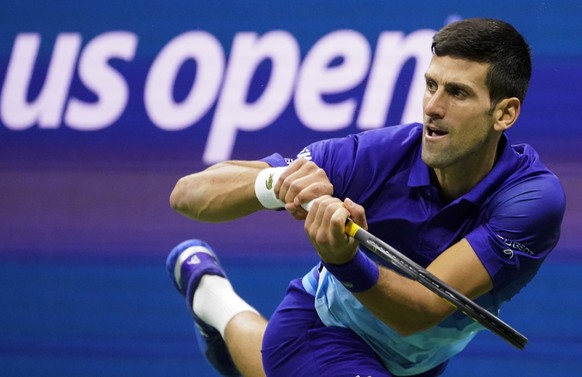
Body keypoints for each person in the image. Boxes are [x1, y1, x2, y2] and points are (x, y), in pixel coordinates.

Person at [166, 18, 565, 377]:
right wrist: (275, 184)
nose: (432, 107)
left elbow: (421, 310)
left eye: (457, 93)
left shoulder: (531, 200)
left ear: (504, 114)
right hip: (323, 327)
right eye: (430, 85)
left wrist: (345, 258)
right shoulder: (374, 156)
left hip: (416, 360)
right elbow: (186, 194)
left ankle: (213, 298)